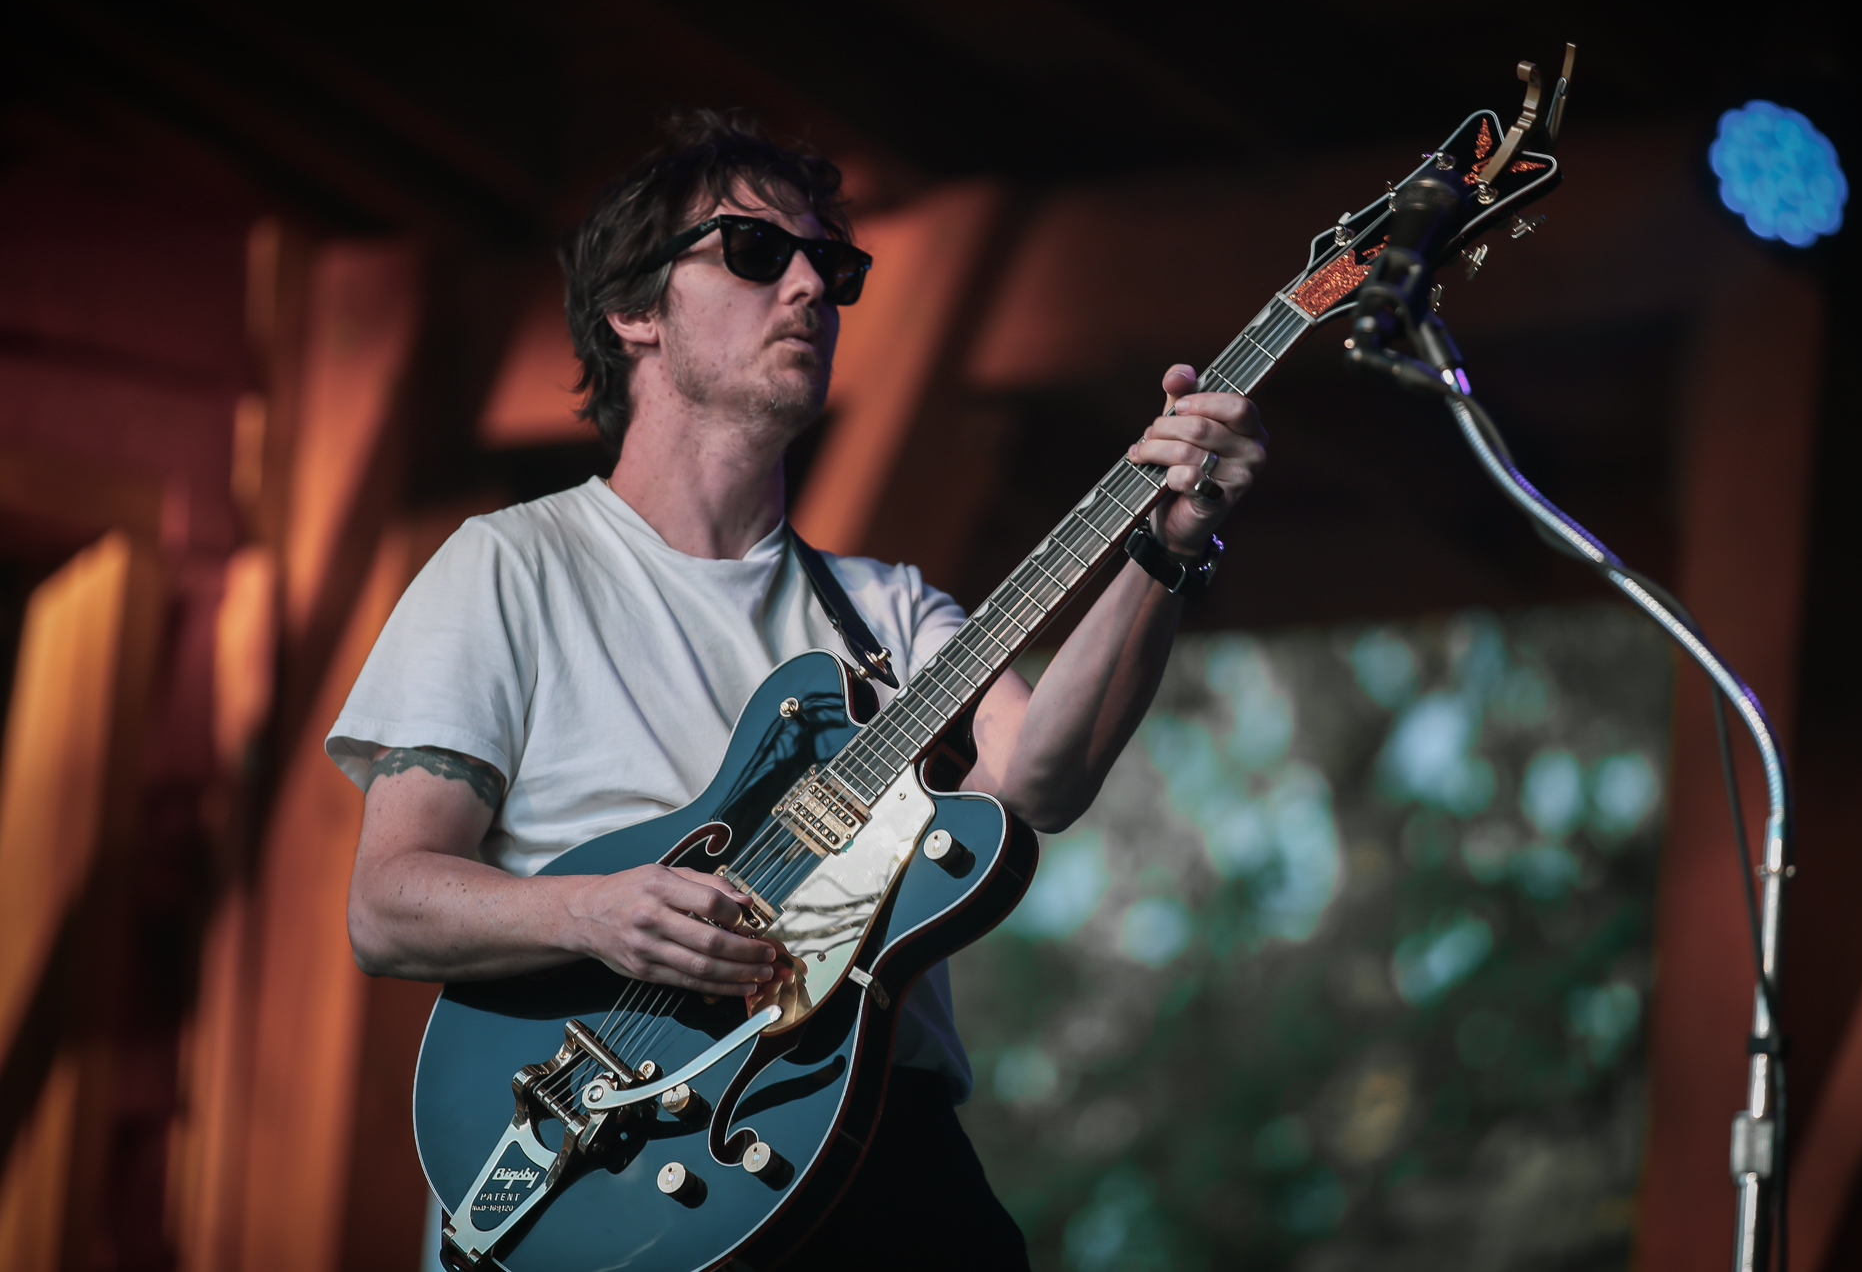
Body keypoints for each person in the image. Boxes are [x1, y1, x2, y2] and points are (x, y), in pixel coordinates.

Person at [332, 110, 1266, 1269]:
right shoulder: (509, 566)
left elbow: (1040, 778)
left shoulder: (884, 611)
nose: (811, 289)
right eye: (754, 252)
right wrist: (595, 913)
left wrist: (1162, 552)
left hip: (874, 1147)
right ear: (634, 311)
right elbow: (388, 903)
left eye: (833, 265)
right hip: (609, 1158)